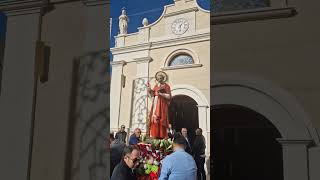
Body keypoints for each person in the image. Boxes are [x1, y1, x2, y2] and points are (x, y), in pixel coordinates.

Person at [148, 71, 171, 139]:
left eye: (160, 78)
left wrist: (161, 94)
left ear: (163, 78)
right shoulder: (156, 86)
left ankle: (162, 135)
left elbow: (169, 96)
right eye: (158, 78)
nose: (159, 80)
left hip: (162, 104)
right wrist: (150, 91)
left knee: (161, 118)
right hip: (156, 102)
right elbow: (153, 95)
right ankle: (154, 134)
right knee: (154, 117)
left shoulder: (166, 86)